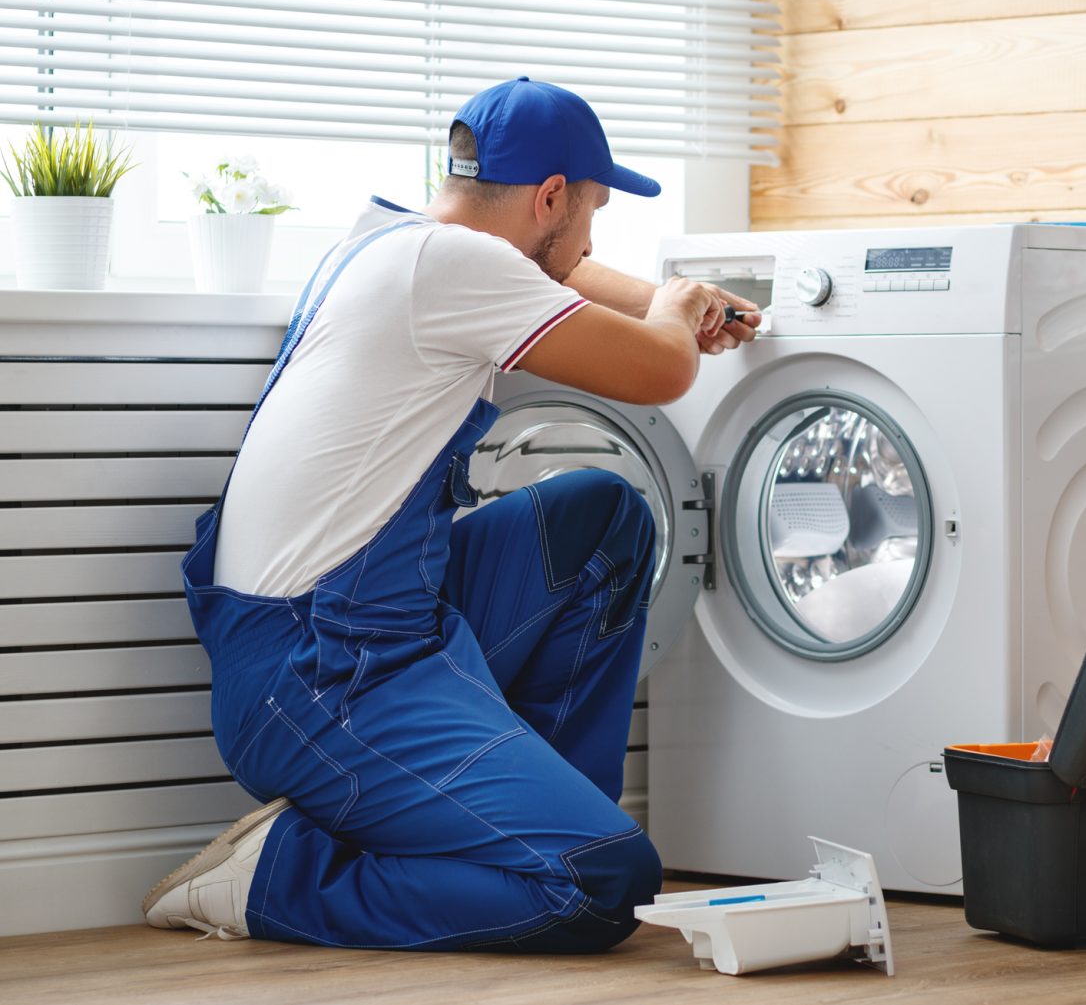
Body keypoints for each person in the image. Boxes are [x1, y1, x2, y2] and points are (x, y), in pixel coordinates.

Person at [140, 77, 760, 952]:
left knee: (602, 520)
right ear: (549, 197)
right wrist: (675, 313)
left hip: (363, 625)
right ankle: (275, 876)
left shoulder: (392, 240)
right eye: (591, 210)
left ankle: (535, 816)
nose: (591, 236)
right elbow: (662, 372)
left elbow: (567, 272)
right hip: (322, 677)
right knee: (603, 883)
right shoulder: (463, 269)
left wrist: (676, 298)